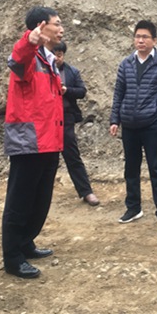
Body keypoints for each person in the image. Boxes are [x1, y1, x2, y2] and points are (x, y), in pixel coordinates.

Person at [2, 6, 64, 279]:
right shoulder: (29, 56)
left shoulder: (49, 60)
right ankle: (12, 258)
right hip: (29, 143)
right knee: (20, 202)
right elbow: (17, 59)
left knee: (39, 200)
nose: (61, 29)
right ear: (41, 26)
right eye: (57, 23)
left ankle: (26, 242)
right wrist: (28, 40)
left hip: (49, 142)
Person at [109, 20, 157, 232]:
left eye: (145, 37)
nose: (140, 40)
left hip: (152, 126)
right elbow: (119, 92)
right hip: (129, 125)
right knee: (131, 168)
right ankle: (133, 207)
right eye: (138, 36)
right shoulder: (126, 64)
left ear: (154, 40)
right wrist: (115, 119)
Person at [53, 41, 100, 207]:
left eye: (59, 55)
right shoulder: (42, 70)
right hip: (47, 119)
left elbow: (82, 91)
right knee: (45, 159)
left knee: (72, 155)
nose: (57, 58)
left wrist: (67, 90)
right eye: (54, 55)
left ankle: (86, 191)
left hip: (66, 118)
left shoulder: (72, 72)